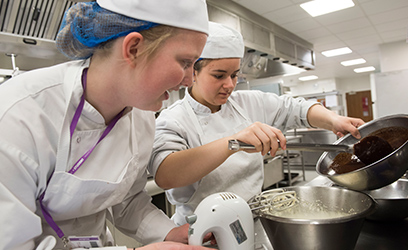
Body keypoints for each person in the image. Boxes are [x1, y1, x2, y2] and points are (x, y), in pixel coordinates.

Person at [0, 0, 213, 249]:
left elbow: (128, 200)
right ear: (133, 48)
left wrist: (169, 233)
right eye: (186, 62)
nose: (189, 81)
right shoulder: (18, 115)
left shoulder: (140, 116)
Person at [148, 22, 365, 226]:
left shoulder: (248, 103)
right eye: (219, 75)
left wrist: (334, 120)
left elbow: (295, 108)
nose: (229, 85)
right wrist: (233, 143)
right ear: (193, 71)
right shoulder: (173, 119)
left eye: (234, 75)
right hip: (199, 233)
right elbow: (166, 174)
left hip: (252, 221)